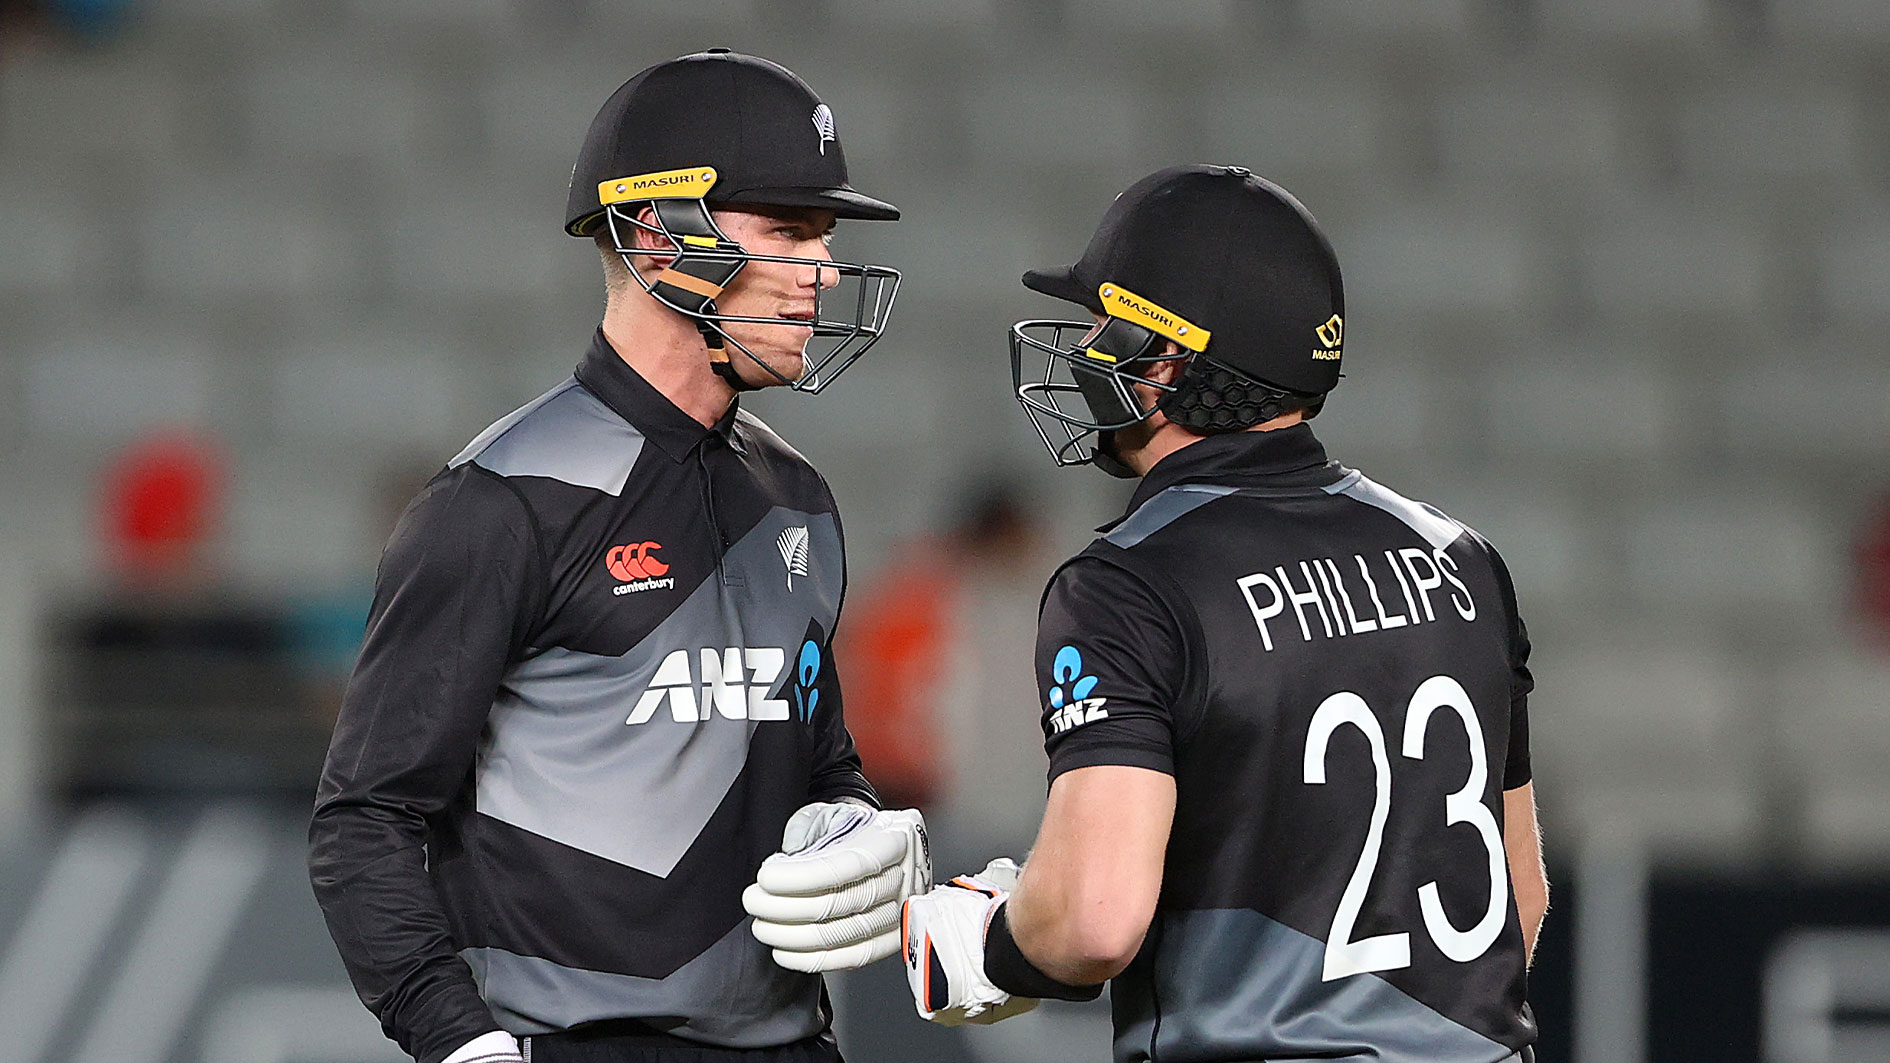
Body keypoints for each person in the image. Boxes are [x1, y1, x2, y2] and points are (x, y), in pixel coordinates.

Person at [308, 50, 929, 1063]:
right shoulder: (502, 500)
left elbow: (822, 759)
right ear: (656, 235)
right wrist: (458, 1042)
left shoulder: (800, 499)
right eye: (789, 230)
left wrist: (854, 819)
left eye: (824, 236)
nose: (822, 270)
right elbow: (363, 819)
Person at [895, 165, 1549, 1062]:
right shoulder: (1461, 557)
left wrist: (990, 941)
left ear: (1164, 359)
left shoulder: (1129, 583)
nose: (1086, 350)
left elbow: (1094, 918)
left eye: (1103, 325)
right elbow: (1518, 902)